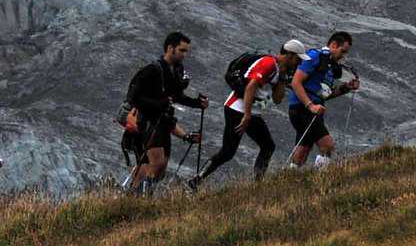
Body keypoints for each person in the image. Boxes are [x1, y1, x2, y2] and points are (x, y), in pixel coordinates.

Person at [191, 40, 306, 189]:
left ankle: (257, 185)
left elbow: (278, 99)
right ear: (290, 55)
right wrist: (247, 115)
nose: (299, 63)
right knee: (228, 152)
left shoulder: (280, 70)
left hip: (251, 112)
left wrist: (283, 78)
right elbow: (251, 87)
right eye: (298, 59)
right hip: (237, 109)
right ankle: (197, 180)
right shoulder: (268, 63)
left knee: (268, 146)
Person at [124, 33, 207, 196]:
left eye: (186, 51)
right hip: (148, 121)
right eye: (182, 50)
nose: (184, 55)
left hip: (163, 122)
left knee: (161, 169)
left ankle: (137, 196)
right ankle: (139, 200)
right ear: (170, 48)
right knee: (157, 163)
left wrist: (197, 103)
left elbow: (176, 96)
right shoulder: (152, 69)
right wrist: (159, 103)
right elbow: (132, 97)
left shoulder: (176, 70)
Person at [288, 32, 361, 169]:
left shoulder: (330, 67)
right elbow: (296, 82)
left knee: (304, 148)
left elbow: (325, 94)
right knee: (327, 146)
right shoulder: (315, 56)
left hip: (315, 108)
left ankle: (289, 179)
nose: (343, 56)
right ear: (333, 45)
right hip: (303, 107)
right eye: (342, 51)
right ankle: (320, 180)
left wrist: (346, 87)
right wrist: (310, 105)